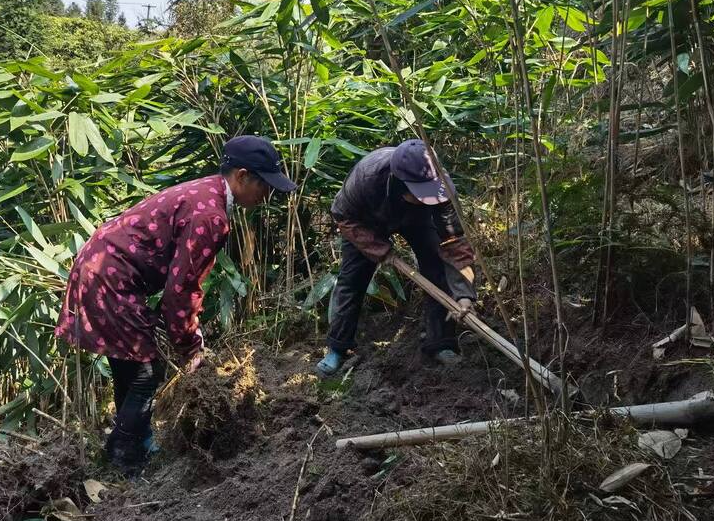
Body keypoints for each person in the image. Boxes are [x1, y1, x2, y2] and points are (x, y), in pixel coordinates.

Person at [56, 135, 296, 474]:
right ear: (241, 176)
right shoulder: (211, 216)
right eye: (264, 185)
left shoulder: (206, 191)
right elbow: (181, 291)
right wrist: (191, 348)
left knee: (133, 365)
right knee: (147, 373)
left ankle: (133, 441)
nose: (267, 195)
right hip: (111, 277)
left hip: (99, 267)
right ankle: (123, 455)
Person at [316, 139, 477, 378]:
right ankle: (337, 348)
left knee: (437, 270)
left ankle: (440, 342)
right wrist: (381, 251)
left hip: (418, 219)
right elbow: (342, 216)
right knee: (352, 281)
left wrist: (464, 294)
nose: (428, 196)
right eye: (421, 192)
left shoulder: (438, 186)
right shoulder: (367, 178)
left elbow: (454, 243)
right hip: (365, 222)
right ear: (401, 183)